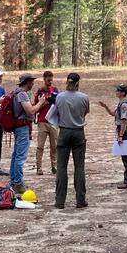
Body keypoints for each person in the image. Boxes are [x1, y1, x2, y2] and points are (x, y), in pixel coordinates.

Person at [53, 71, 89, 209]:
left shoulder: (60, 97)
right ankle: (80, 200)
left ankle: (60, 201)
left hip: (64, 131)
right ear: (78, 83)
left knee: (61, 167)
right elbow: (85, 112)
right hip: (78, 132)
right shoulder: (84, 97)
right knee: (79, 167)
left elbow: (56, 113)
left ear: (67, 82)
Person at [7, 72, 49, 191]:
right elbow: (30, 111)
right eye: (31, 81)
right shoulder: (22, 94)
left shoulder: (16, 92)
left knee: (16, 155)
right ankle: (18, 183)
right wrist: (40, 103)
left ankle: (14, 180)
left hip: (19, 127)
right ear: (27, 82)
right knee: (20, 156)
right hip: (22, 127)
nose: (33, 84)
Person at [99, 83, 127, 189]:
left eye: (118, 90)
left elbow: (123, 121)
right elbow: (113, 114)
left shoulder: (124, 105)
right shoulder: (122, 103)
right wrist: (105, 107)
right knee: (125, 155)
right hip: (125, 132)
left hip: (125, 132)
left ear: (123, 93)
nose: (116, 92)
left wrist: (120, 136)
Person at [33, 70, 59, 176]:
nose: (50, 82)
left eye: (51, 80)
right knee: (40, 146)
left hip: (53, 121)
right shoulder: (40, 91)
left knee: (55, 146)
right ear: (44, 79)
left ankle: (54, 166)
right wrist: (44, 102)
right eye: (48, 80)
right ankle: (39, 167)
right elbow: (35, 107)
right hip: (42, 121)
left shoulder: (55, 90)